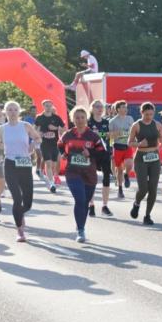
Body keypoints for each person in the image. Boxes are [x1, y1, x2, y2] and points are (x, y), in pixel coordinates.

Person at [0, 101, 41, 242]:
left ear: (19, 112)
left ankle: (19, 213)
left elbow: (38, 138)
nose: (12, 112)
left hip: (25, 163)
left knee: (28, 202)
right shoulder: (1, 128)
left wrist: (33, 144)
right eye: (9, 110)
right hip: (10, 164)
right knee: (17, 199)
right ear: (5, 113)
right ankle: (20, 230)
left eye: (15, 110)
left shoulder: (25, 126)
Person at [58, 106, 106, 242]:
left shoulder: (93, 136)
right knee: (80, 199)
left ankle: (81, 226)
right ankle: (80, 230)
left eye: (82, 117)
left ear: (87, 119)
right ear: (72, 119)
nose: (79, 120)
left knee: (84, 202)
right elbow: (60, 144)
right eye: (77, 117)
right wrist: (64, 154)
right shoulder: (68, 135)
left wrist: (90, 153)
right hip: (73, 172)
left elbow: (102, 153)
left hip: (89, 174)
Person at [128, 102, 162, 225]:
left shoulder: (157, 125)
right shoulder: (136, 125)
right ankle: (136, 203)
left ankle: (147, 215)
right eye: (146, 114)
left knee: (153, 188)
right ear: (141, 113)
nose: (149, 117)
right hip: (141, 157)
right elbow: (130, 142)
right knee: (143, 188)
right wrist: (139, 144)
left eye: (151, 114)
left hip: (154, 158)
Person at [86, 99, 113, 216]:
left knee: (106, 179)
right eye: (97, 106)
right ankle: (91, 204)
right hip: (91, 153)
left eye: (101, 107)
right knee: (91, 179)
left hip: (104, 153)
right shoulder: (88, 122)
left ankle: (105, 206)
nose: (100, 108)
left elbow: (108, 137)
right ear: (92, 108)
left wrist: (111, 148)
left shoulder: (106, 122)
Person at [35, 100, 65, 193]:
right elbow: (35, 129)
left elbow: (64, 129)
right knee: (48, 163)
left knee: (54, 165)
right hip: (44, 144)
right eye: (46, 106)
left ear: (52, 106)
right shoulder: (39, 117)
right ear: (43, 106)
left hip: (54, 144)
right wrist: (38, 134)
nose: (48, 107)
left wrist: (55, 128)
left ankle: (52, 179)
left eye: (50, 105)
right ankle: (52, 183)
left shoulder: (56, 118)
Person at [108, 100, 135, 197]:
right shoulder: (112, 121)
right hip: (117, 146)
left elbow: (134, 131)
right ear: (118, 109)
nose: (125, 109)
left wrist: (135, 140)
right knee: (119, 170)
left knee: (129, 164)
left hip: (127, 146)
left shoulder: (130, 119)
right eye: (123, 107)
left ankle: (127, 175)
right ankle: (120, 189)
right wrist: (111, 148)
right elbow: (110, 136)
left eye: (126, 107)